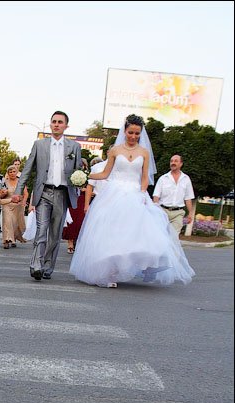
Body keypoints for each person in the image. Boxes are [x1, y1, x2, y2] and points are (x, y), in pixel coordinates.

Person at [70, 114, 195, 288]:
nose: (133, 136)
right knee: (112, 233)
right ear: (125, 131)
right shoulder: (115, 151)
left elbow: (144, 178)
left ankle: (137, 266)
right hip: (114, 193)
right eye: (131, 132)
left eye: (137, 133)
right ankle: (109, 273)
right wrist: (85, 176)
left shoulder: (144, 152)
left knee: (136, 233)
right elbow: (105, 173)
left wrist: (143, 194)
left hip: (135, 194)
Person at [12, 111, 82, 280]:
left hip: (63, 194)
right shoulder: (39, 145)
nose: (56, 124)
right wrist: (18, 191)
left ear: (66, 126)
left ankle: (48, 266)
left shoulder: (74, 147)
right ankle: (36, 265)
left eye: (60, 122)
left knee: (55, 235)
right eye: (54, 121)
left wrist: (78, 187)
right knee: (42, 230)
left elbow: (78, 171)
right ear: (50, 124)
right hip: (43, 193)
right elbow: (27, 169)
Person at [153, 154, 195, 235]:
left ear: (181, 164)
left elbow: (188, 198)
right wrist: (156, 210)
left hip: (178, 213)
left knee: (174, 236)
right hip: (163, 212)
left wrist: (190, 213)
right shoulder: (163, 178)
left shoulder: (186, 179)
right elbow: (156, 196)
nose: (173, 163)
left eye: (176, 161)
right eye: (171, 161)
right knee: (161, 235)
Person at [62, 158, 89, 255]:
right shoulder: (70, 174)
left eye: (82, 164)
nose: (81, 166)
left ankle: (77, 242)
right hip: (72, 198)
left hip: (82, 200)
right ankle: (70, 243)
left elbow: (91, 187)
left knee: (80, 221)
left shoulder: (88, 175)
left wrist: (85, 190)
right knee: (71, 222)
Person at [0, 164, 28, 248]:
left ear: (17, 172)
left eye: (14, 171)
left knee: (15, 223)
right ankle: (6, 240)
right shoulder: (4, 182)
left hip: (18, 205)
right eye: (10, 172)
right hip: (7, 203)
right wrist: (3, 193)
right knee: (7, 221)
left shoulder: (20, 182)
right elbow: (0, 194)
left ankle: (13, 239)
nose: (12, 173)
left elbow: (26, 194)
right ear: (8, 173)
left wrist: (23, 202)